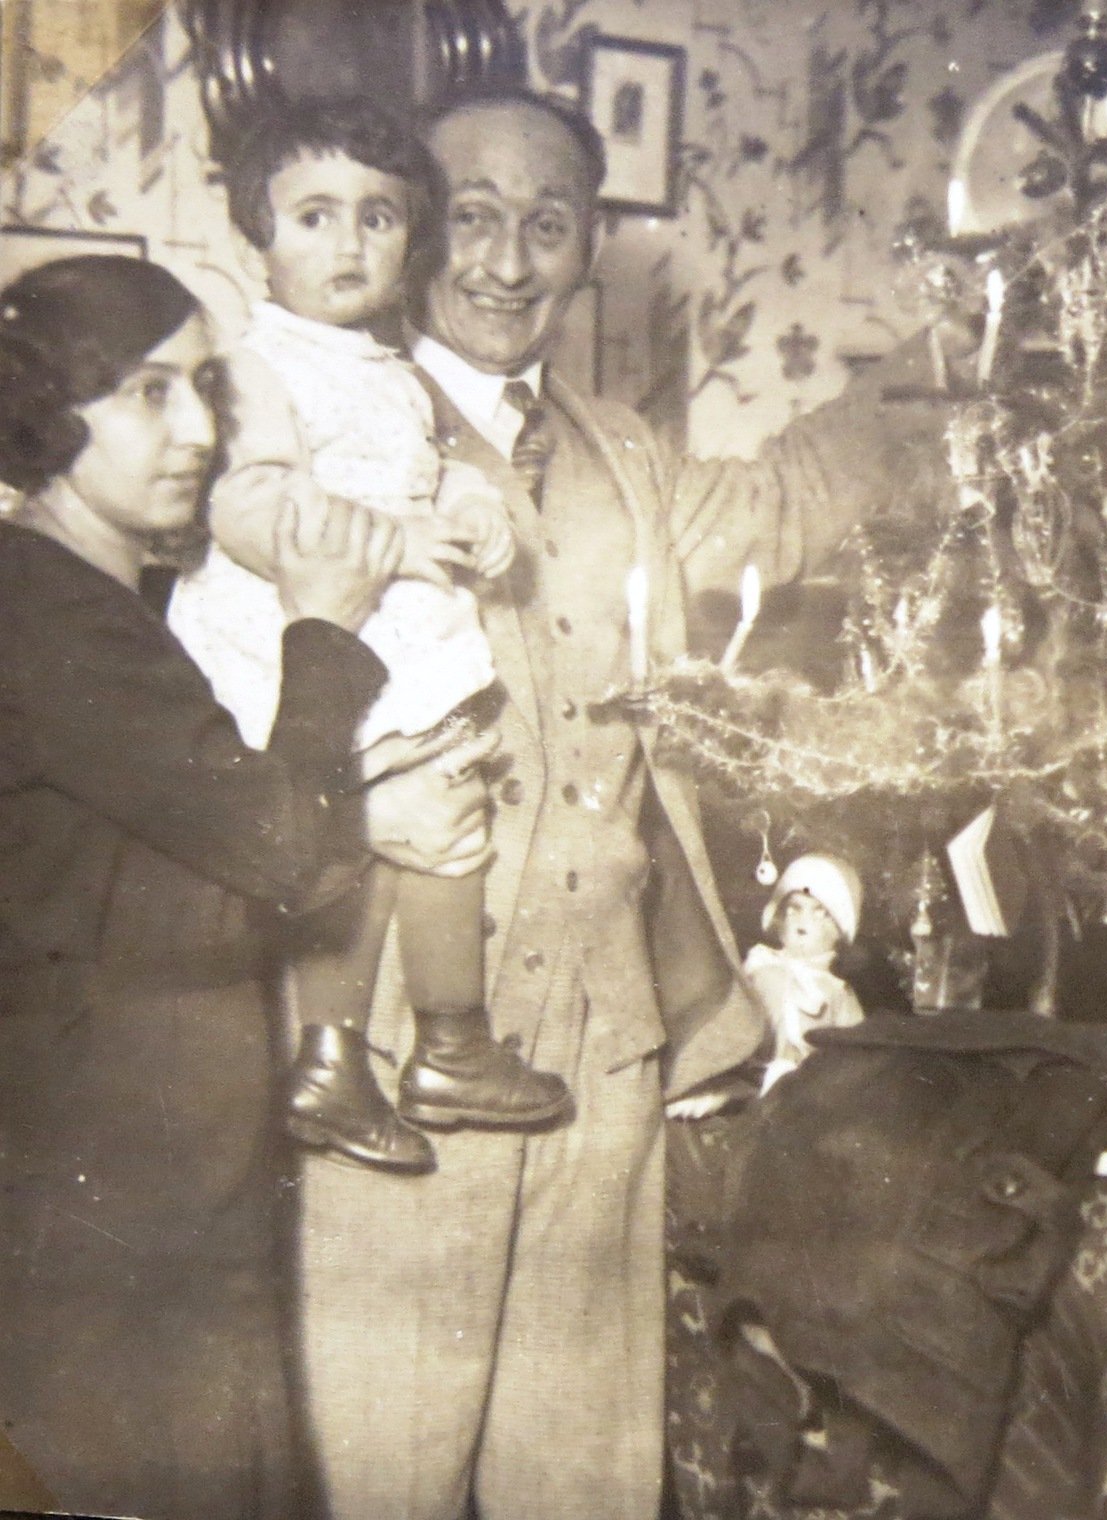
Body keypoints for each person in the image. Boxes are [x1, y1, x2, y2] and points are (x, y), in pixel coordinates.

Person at [194, 87, 931, 1519]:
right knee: (380, 1475)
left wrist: (940, 366)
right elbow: (204, 705)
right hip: (395, 1045)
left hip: (605, 1052)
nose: (506, 261)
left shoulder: (622, 452)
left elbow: (781, 504)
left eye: (549, 223)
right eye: (471, 217)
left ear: (591, 245)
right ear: (414, 229)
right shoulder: (311, 421)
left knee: (578, 1485)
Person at [0, 254, 486, 1519]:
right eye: (147, 392)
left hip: (152, 1145)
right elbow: (282, 853)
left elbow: (182, 862)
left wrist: (356, 811)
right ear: (47, 406)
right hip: (114, 1168)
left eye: (205, 388)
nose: (201, 431)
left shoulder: (101, 596)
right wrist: (324, 625)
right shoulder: (49, 610)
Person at [171, 96, 568, 1175]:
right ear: (257, 234)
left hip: (387, 642)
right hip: (305, 641)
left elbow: (427, 475)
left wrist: (473, 513)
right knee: (390, 837)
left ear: (409, 242)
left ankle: (393, 1052)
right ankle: (403, 1048)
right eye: (315, 216)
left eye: (378, 218)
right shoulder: (256, 369)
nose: (349, 243)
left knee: (419, 833)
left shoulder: (390, 371)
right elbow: (248, 506)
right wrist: (396, 542)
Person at [746, 852, 866, 1093]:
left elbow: (857, 1054)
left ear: (839, 929)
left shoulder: (836, 992)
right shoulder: (761, 970)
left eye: (820, 912)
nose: (803, 921)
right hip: (754, 1080)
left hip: (810, 1091)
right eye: (794, 908)